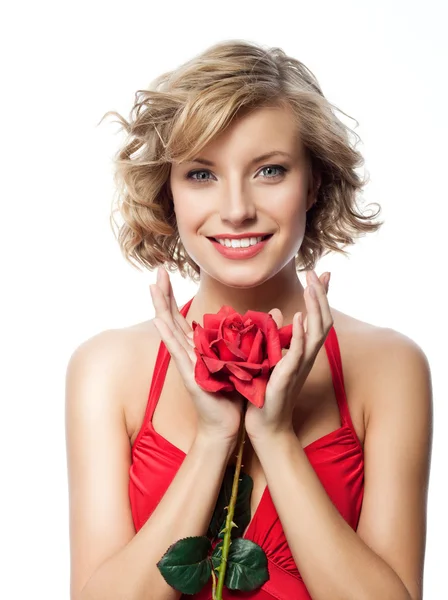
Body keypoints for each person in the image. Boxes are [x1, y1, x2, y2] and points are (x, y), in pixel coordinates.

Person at [65, 39, 433, 600]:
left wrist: (276, 435)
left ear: (313, 183)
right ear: (169, 191)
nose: (236, 208)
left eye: (269, 170)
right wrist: (215, 439)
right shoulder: (107, 370)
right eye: (201, 175)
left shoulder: (388, 366)